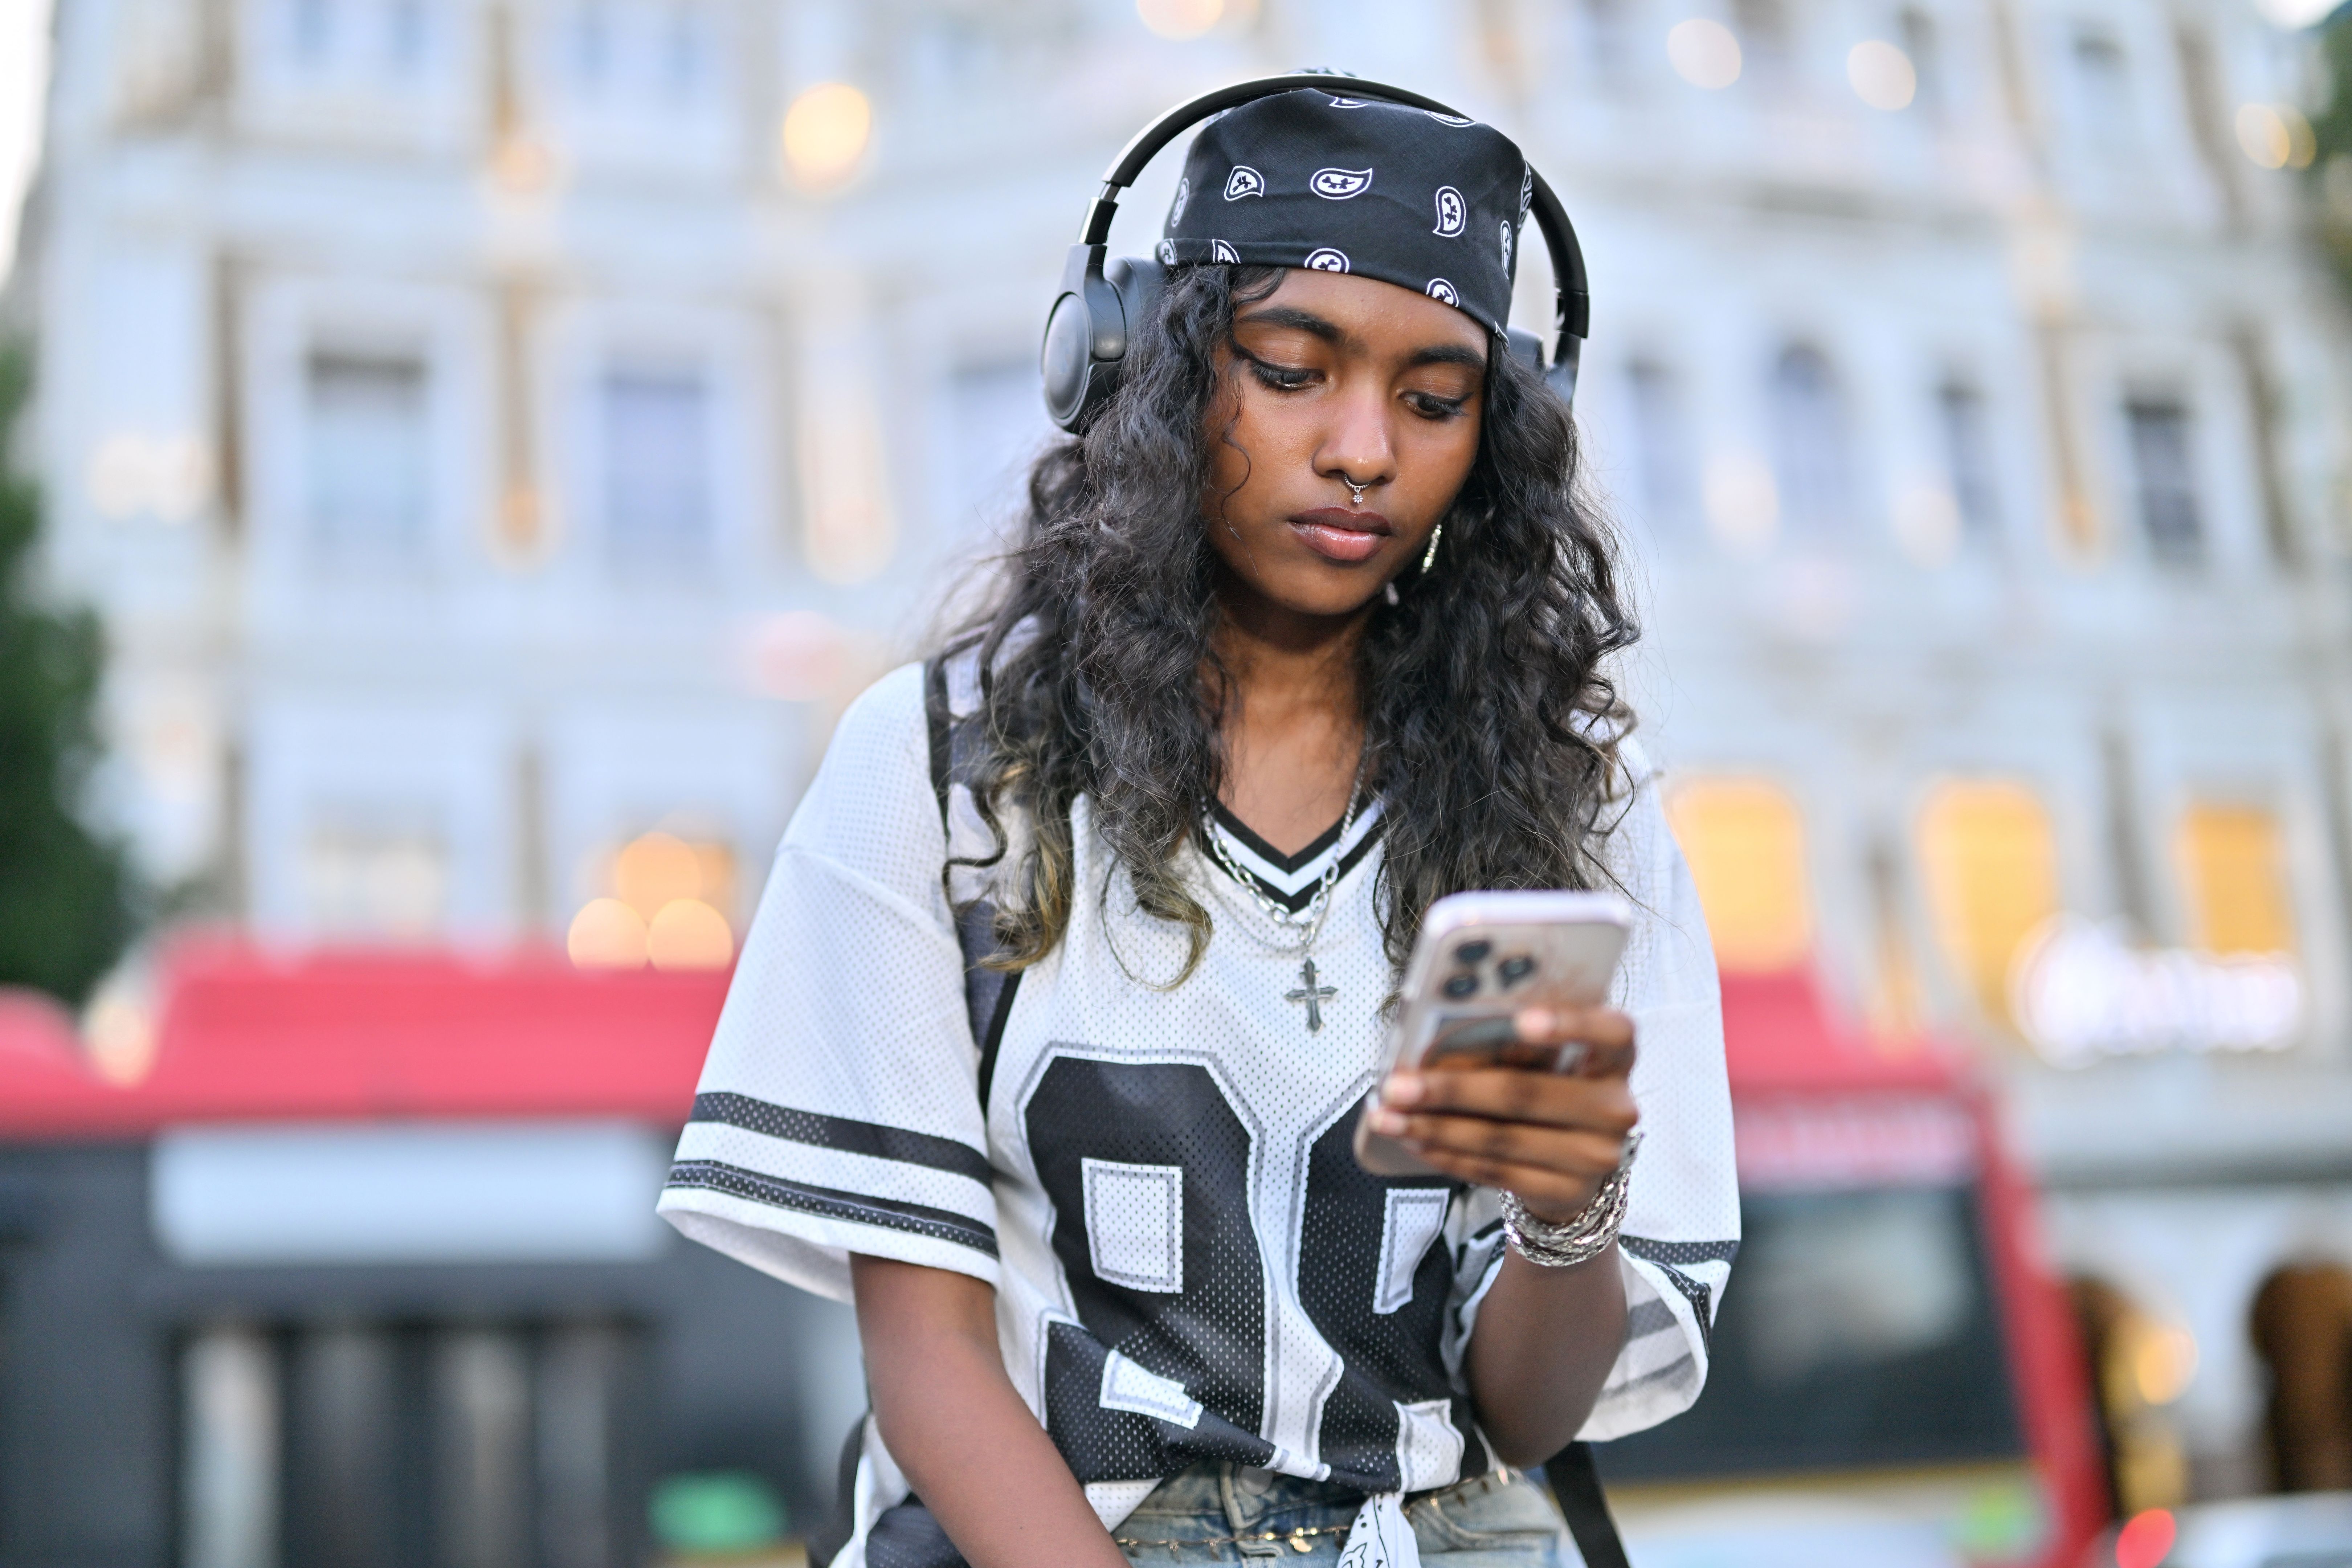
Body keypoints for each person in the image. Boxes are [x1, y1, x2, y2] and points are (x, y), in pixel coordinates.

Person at [658, 86, 1736, 1568]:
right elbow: (927, 1360)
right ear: (1149, 369)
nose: (1364, 448)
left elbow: (1533, 1414)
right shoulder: (938, 768)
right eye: (1293, 370)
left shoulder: (1577, 813)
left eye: (1434, 401)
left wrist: (1568, 1212)